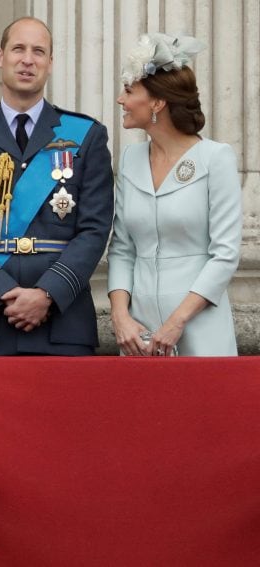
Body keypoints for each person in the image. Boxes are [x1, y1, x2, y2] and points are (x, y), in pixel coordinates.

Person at [0, 17, 114, 355]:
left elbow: (94, 230)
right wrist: (0, 292)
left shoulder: (85, 135)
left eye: (39, 52)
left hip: (63, 323)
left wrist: (46, 295)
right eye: (19, 49)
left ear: (50, 63)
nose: (28, 59)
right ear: (1, 56)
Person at [107, 33, 242, 356]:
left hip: (199, 329)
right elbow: (122, 249)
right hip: (139, 335)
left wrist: (176, 322)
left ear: (157, 102)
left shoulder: (215, 158)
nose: (120, 100)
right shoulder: (129, 160)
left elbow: (225, 254)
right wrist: (120, 316)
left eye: (129, 90)